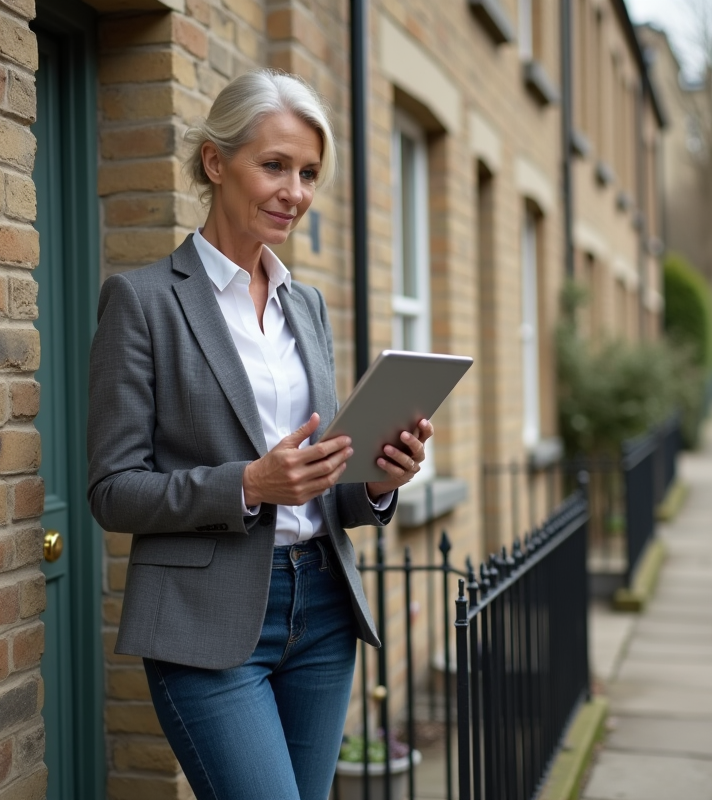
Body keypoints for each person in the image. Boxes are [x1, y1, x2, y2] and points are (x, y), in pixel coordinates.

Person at [86, 70, 432, 800]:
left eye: (308, 173)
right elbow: (113, 492)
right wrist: (247, 484)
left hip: (324, 609)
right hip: (205, 624)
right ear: (216, 162)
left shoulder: (305, 304)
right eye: (274, 165)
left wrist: (375, 479)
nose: (295, 192)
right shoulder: (143, 301)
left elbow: (321, 479)